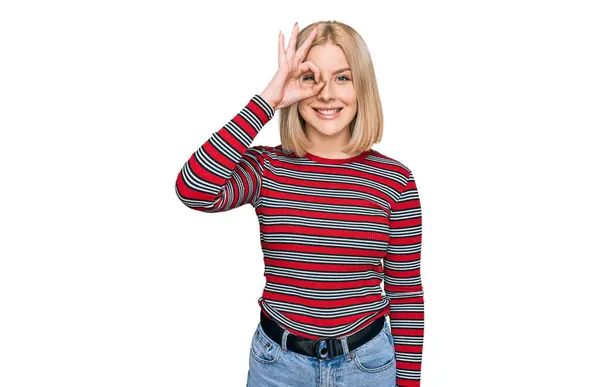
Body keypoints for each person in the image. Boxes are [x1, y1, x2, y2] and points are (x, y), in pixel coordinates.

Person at [175, 20, 424, 387]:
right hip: (279, 367)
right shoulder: (267, 168)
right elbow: (194, 187)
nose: (326, 94)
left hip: (367, 368)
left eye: (342, 78)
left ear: (363, 87)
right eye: (311, 78)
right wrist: (269, 99)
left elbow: (405, 293)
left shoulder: (394, 180)